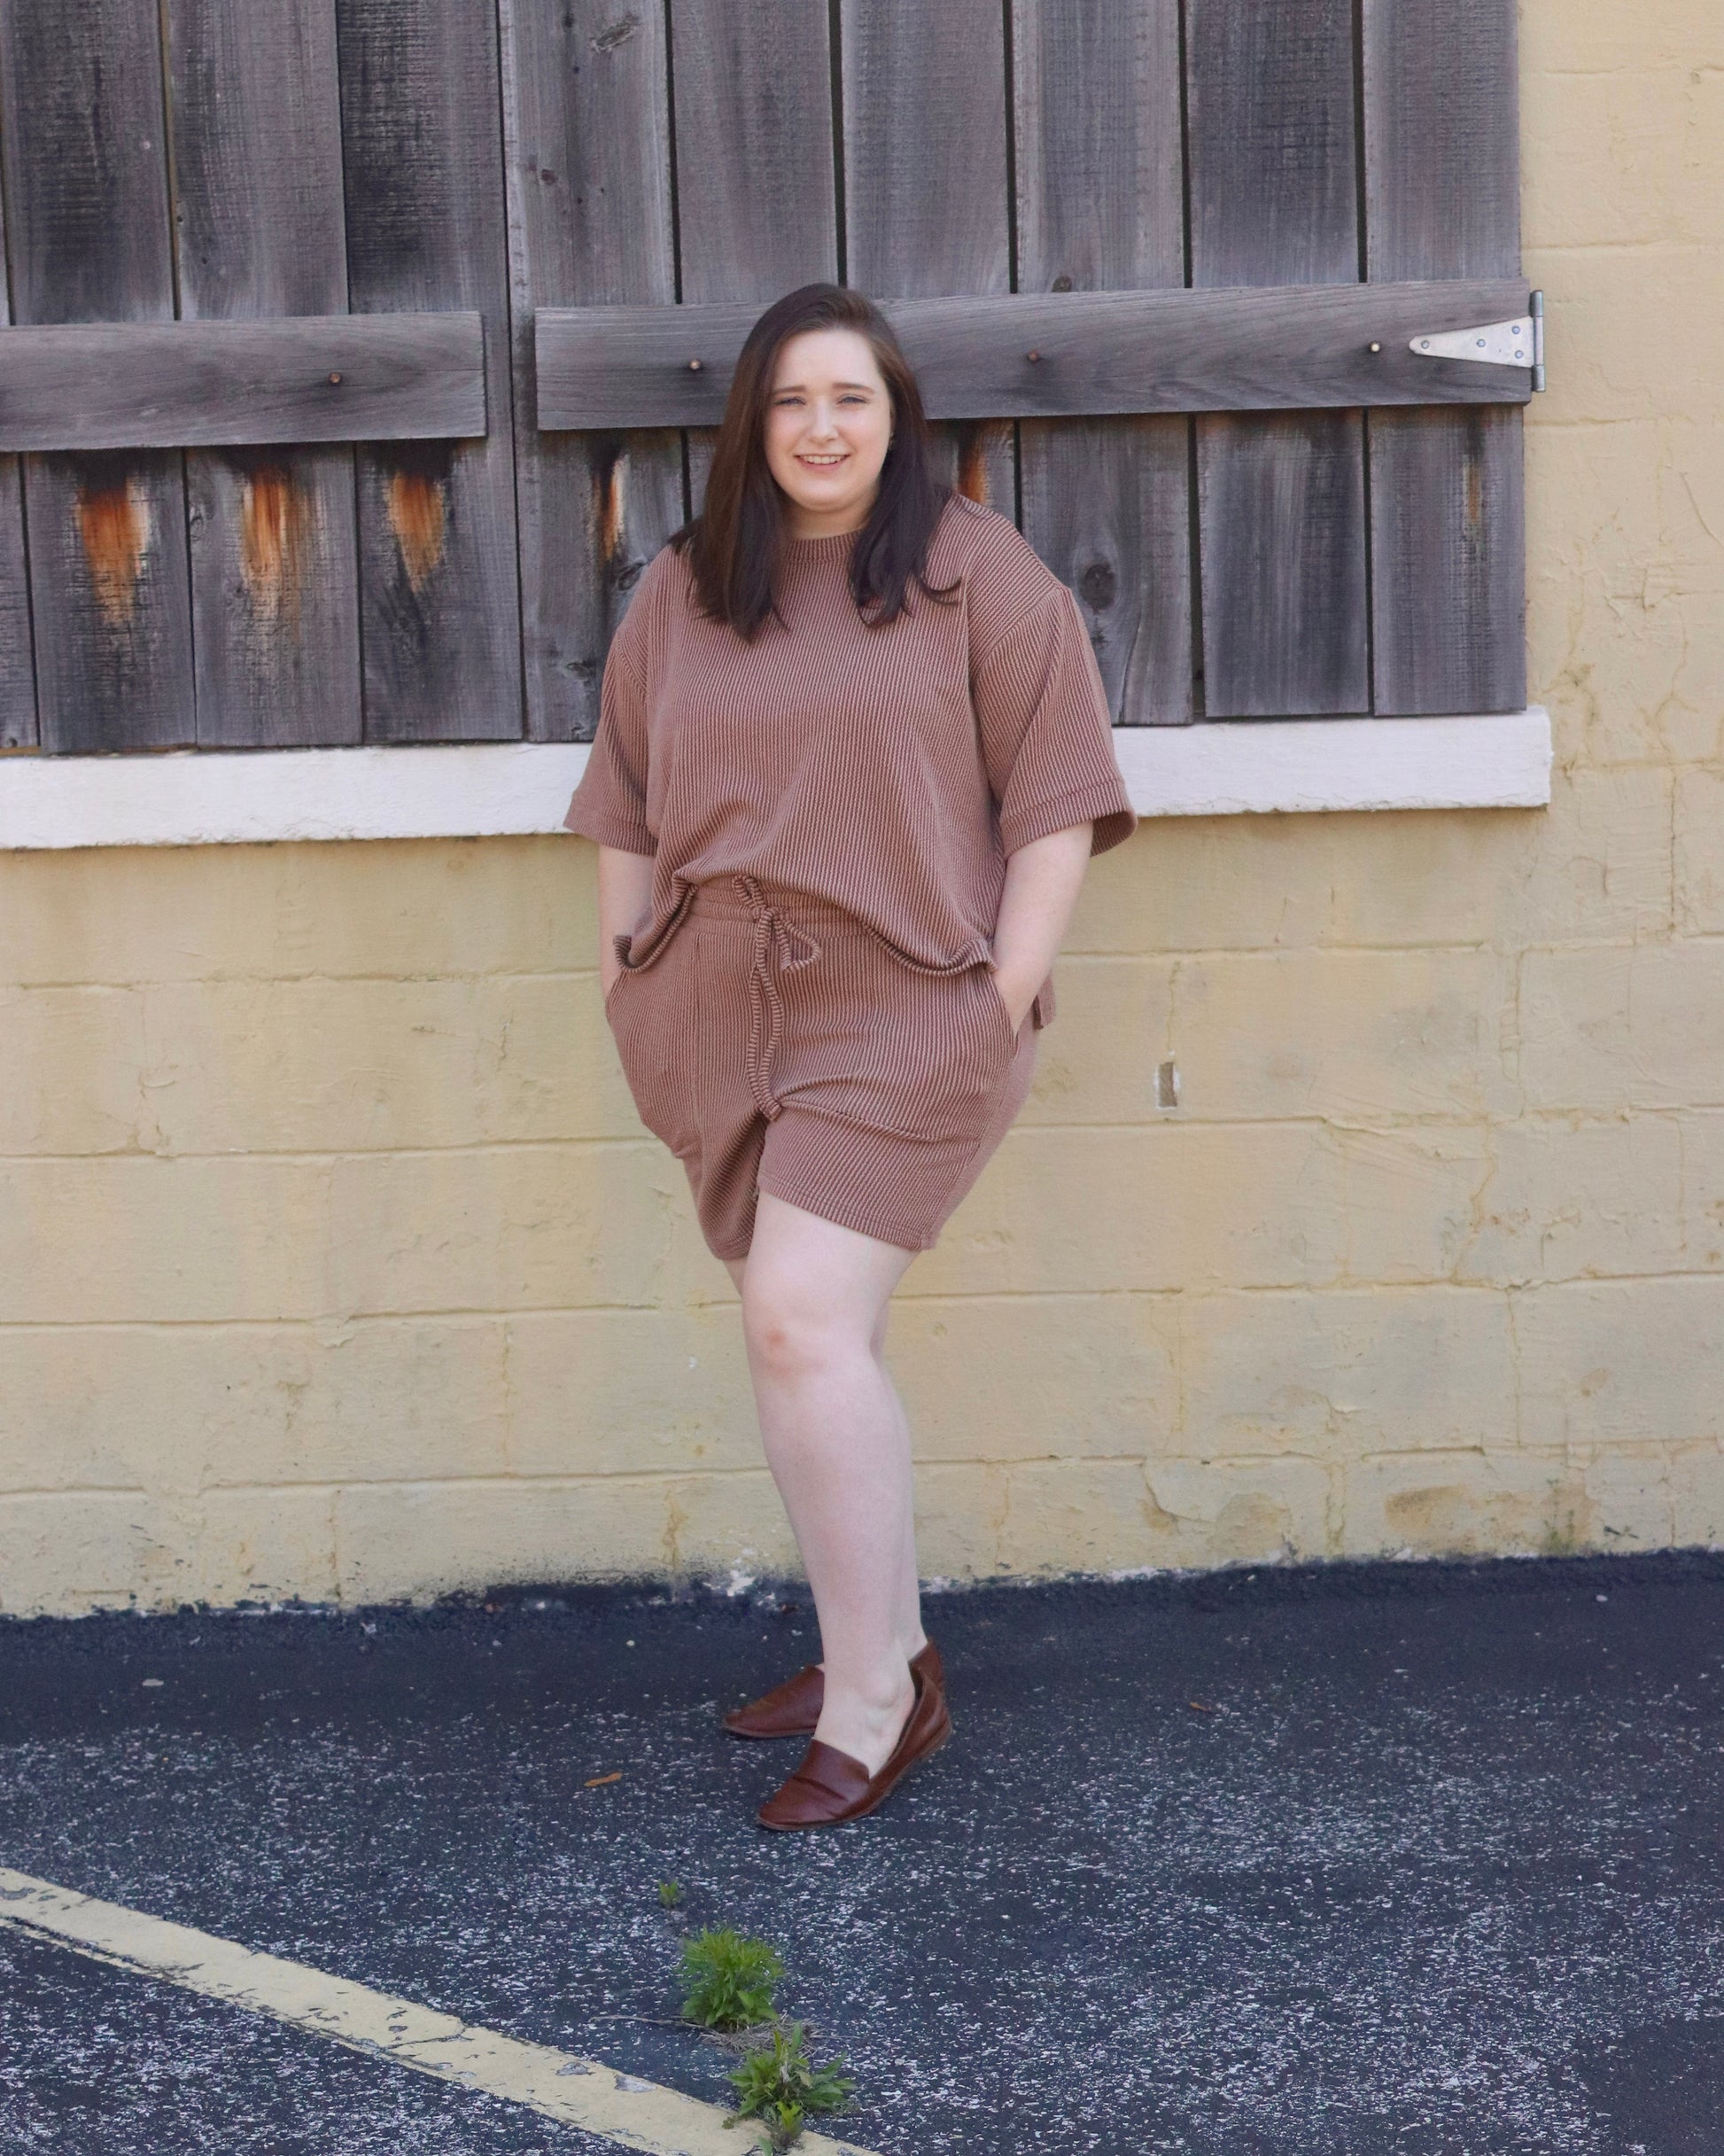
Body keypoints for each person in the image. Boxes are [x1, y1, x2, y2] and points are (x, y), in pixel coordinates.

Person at [563, 282, 1137, 1831]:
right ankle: (867, 1644)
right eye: (792, 401)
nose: (822, 429)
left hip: (909, 1008)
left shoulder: (971, 575)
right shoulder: (686, 588)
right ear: (753, 424)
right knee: (801, 1336)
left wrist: (1001, 995)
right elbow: (620, 799)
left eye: (853, 400)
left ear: (897, 419)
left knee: (802, 1320)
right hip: (720, 1003)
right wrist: (630, 972)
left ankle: (882, 1704)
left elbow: (1059, 803)